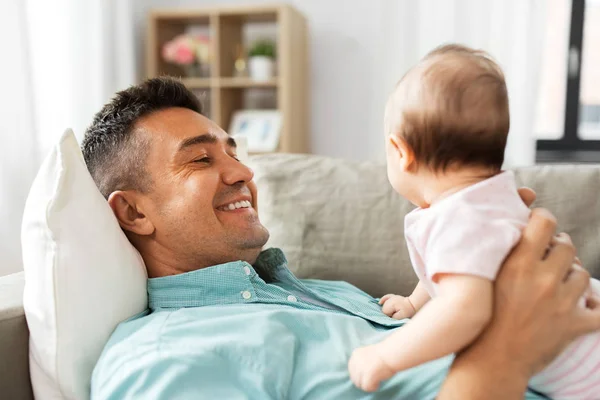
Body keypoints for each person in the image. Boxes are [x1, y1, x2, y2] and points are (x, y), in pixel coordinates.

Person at [83, 77, 600, 399]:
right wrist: (507, 354)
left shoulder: (325, 293)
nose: (242, 174)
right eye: (200, 159)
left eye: (234, 154)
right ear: (133, 211)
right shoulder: (162, 359)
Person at [347, 44, 600, 399]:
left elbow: (465, 308)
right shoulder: (486, 200)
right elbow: (454, 271)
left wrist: (387, 356)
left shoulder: (460, 218)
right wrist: (414, 303)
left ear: (402, 152)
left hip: (585, 369)